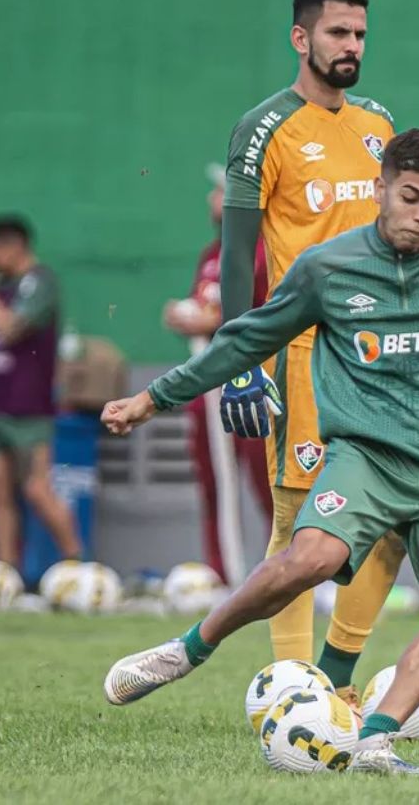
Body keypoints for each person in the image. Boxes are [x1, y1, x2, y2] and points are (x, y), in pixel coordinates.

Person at [101, 129, 419, 776]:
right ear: (381, 189)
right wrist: (151, 399)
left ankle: (374, 741)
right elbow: (244, 340)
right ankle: (187, 649)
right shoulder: (328, 268)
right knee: (312, 557)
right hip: (365, 460)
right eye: (410, 197)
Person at [216, 0, 405, 695]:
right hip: (306, 353)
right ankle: (294, 689)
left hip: (382, 354)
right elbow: (239, 254)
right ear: (301, 38)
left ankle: (337, 678)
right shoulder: (265, 128)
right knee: (301, 526)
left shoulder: (379, 124)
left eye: (360, 34)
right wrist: (239, 360)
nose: (352, 45)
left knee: (394, 519)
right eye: (337, 32)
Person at [162, 167, 274, 582]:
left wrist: (213, 320)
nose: (213, 200)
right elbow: (205, 308)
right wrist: (187, 316)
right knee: (214, 483)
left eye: (221, 192)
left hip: (256, 379)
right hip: (211, 385)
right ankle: (222, 573)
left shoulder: (265, 250)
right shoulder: (212, 254)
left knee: (270, 482)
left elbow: (262, 312)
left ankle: (287, 572)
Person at [0, 214, 83, 566]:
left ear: (16, 246)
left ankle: (77, 564)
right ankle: (5, 573)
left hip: (29, 405)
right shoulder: (1, 286)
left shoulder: (40, 283)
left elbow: (10, 329)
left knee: (37, 489)